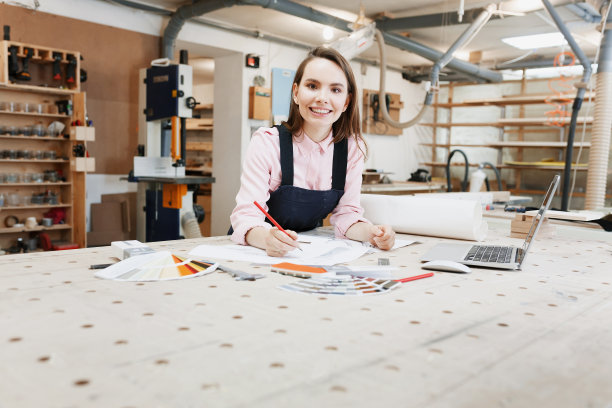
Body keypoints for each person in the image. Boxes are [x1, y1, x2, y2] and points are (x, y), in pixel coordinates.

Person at [230, 46, 395, 256]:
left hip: (307, 251)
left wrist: (373, 233)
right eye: (312, 86)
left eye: (335, 90)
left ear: (346, 102)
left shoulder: (352, 149)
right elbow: (246, 216)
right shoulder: (267, 143)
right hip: (257, 250)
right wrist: (267, 239)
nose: (322, 98)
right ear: (296, 93)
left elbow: (347, 216)